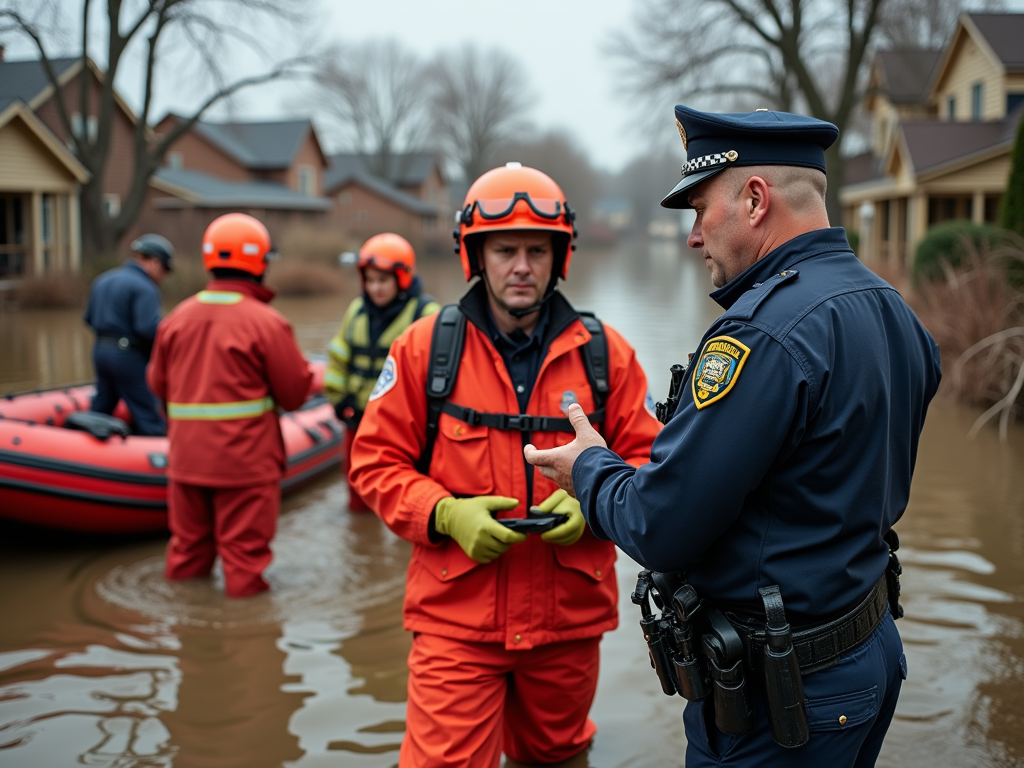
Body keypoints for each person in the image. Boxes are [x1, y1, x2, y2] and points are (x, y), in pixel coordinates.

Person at [525, 107, 942, 768]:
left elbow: (661, 525)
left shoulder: (764, 335)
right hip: (867, 653)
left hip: (785, 702)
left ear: (754, 200)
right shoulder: (892, 309)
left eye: (699, 211)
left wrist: (589, 469)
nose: (693, 237)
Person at [349, 162, 662, 767]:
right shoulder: (423, 350)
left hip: (567, 625)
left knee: (558, 756)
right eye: (506, 249)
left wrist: (596, 502)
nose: (522, 265)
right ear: (476, 255)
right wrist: (443, 513)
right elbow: (374, 462)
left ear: (559, 257)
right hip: (456, 623)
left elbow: (653, 462)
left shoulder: (607, 356)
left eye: (536, 251)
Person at [147, 213, 312, 599]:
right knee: (244, 562)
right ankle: (248, 643)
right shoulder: (266, 323)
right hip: (245, 466)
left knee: (187, 552)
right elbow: (294, 394)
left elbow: (157, 384)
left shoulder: (176, 319)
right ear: (260, 263)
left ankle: (187, 641)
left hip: (187, 462)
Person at [324, 233, 439, 511]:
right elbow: (339, 358)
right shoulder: (357, 310)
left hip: (407, 424)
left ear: (402, 278)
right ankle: (364, 539)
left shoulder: (426, 314)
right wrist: (340, 401)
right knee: (357, 491)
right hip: (360, 418)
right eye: (370, 280)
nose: (376, 288)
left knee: (412, 498)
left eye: (383, 280)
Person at [83, 233, 173, 435]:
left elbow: (88, 318)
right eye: (165, 269)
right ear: (156, 263)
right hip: (127, 357)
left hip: (100, 352)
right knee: (148, 414)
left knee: (101, 407)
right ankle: (156, 458)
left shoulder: (103, 279)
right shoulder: (145, 287)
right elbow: (148, 328)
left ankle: (82, 454)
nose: (164, 276)